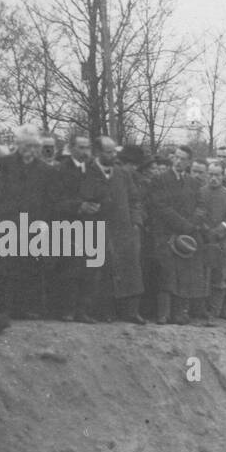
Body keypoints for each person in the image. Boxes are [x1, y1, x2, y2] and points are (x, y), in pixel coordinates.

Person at [80, 136, 146, 323]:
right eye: (108, 152)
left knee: (130, 269)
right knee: (102, 271)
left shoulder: (122, 174)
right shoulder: (88, 172)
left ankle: (132, 311)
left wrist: (136, 221)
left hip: (124, 229)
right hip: (98, 228)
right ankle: (105, 311)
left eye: (114, 151)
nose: (113, 155)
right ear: (98, 153)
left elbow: (134, 199)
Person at [0, 124, 52, 318]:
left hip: (35, 221)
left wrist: (45, 222)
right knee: (9, 264)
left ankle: (29, 308)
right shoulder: (5, 164)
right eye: (27, 145)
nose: (31, 150)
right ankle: (8, 307)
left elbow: (49, 198)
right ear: (18, 145)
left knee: (32, 265)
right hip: (9, 219)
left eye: (35, 146)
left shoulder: (45, 169)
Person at [150, 145, 206, 324]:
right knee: (166, 272)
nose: (178, 161)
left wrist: (192, 225)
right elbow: (160, 207)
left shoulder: (193, 183)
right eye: (176, 157)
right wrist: (183, 225)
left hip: (187, 235)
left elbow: (201, 207)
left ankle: (180, 313)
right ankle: (163, 313)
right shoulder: (160, 180)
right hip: (166, 233)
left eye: (183, 159)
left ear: (189, 162)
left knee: (185, 273)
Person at [48, 132, 97, 321]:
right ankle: (67, 310)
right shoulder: (60, 170)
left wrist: (98, 205)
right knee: (70, 268)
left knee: (90, 270)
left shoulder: (95, 170)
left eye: (88, 148)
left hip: (93, 224)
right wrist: (79, 206)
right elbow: (55, 200)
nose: (85, 152)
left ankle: (83, 310)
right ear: (71, 148)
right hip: (68, 224)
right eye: (81, 147)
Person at [193, 160, 226, 323]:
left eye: (217, 175)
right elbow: (197, 213)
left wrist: (219, 230)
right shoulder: (199, 192)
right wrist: (205, 229)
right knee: (202, 278)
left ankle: (215, 312)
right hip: (203, 242)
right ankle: (201, 311)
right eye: (211, 174)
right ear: (207, 175)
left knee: (219, 279)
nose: (214, 178)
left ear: (223, 176)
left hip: (222, 244)